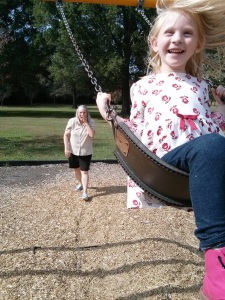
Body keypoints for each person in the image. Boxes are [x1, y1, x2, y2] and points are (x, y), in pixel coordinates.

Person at [96, 0, 225, 298]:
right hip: (165, 167)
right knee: (211, 148)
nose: (178, 39)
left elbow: (214, 130)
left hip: (203, 162)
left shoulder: (201, 86)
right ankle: (218, 268)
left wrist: (221, 105)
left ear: (197, 44)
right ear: (155, 43)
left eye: (187, 33)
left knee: (213, 147)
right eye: (169, 32)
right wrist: (109, 116)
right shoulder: (142, 86)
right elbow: (135, 129)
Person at [63, 105, 95, 201]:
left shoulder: (91, 122)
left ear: (87, 113)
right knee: (76, 170)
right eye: (80, 112)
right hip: (73, 151)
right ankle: (81, 184)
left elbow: (92, 134)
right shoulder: (72, 121)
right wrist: (66, 148)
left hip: (85, 151)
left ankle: (85, 192)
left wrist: (86, 123)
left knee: (84, 172)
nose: (82, 114)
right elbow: (66, 135)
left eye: (84, 112)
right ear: (77, 113)